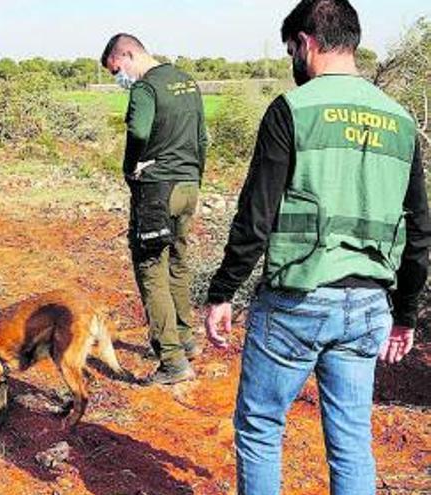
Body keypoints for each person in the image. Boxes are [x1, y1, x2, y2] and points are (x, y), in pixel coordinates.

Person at [203, 1, 430, 493]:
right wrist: (406, 314)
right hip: (371, 305)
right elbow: (418, 230)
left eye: (291, 50)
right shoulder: (402, 121)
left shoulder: (292, 110)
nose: (293, 62)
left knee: (261, 428)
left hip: (297, 303)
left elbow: (256, 216)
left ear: (305, 43)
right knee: (351, 441)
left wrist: (223, 291)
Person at [101, 33, 208, 384]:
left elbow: (139, 130)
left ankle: (172, 361)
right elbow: (202, 139)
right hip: (188, 187)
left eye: (118, 69)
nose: (121, 78)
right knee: (178, 261)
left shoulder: (145, 89)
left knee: (151, 268)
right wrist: (195, 177)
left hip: (157, 190)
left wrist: (130, 167)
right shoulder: (187, 82)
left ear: (129, 54)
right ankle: (187, 339)